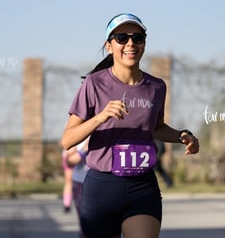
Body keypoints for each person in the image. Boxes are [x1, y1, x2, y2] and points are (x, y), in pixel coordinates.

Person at [60, 13, 200, 238]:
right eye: (122, 38)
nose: (130, 44)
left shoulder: (156, 86)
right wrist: (101, 117)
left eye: (138, 37)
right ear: (109, 46)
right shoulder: (94, 84)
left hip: (142, 187)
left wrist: (182, 135)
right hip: (102, 187)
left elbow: (155, 128)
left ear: (144, 44)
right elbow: (67, 140)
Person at [66, 137, 89, 238]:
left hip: (105, 183)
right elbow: (70, 161)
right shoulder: (77, 124)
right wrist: (84, 149)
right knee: (86, 225)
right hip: (81, 182)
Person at [61, 148, 74, 212]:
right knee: (69, 182)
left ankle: (67, 204)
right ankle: (67, 204)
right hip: (70, 157)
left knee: (69, 183)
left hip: (70, 156)